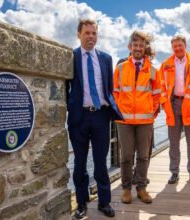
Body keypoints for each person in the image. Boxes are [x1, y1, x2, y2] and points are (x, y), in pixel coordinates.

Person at [66, 19, 122, 219]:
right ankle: (81, 203)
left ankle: (104, 202)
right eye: (87, 33)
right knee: (80, 162)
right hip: (79, 118)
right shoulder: (70, 57)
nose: (91, 37)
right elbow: (66, 89)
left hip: (100, 117)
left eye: (94, 33)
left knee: (101, 161)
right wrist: (71, 108)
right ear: (79, 34)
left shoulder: (106, 58)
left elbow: (109, 88)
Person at [113, 30, 161, 204]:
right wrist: (119, 111)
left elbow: (157, 95)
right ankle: (126, 189)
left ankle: (141, 188)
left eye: (141, 45)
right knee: (126, 156)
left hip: (145, 121)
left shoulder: (153, 71)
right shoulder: (120, 68)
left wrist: (151, 111)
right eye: (135, 45)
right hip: (124, 120)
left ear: (145, 47)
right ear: (130, 47)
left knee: (143, 156)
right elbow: (115, 93)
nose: (138, 48)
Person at [160, 35, 190, 185]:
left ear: (185, 45)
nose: (178, 48)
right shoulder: (166, 64)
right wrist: (164, 102)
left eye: (180, 45)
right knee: (173, 142)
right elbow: (161, 85)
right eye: (175, 46)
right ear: (172, 47)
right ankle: (174, 172)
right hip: (173, 104)